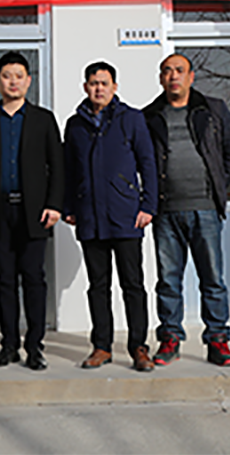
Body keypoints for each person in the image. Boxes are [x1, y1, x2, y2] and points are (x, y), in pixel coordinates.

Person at [0, 51, 64, 371]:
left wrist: (54, 204)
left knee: (34, 279)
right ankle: (9, 345)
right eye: (7, 76)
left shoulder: (43, 119)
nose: (13, 82)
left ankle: (34, 346)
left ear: (28, 81)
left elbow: (58, 166)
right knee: (5, 280)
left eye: (19, 76)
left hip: (34, 213)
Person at [143, 53, 230, 367]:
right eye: (167, 71)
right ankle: (170, 339)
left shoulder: (213, 110)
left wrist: (217, 185)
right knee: (168, 281)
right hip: (166, 212)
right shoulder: (149, 115)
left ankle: (218, 341)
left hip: (205, 209)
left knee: (212, 279)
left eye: (179, 70)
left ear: (191, 76)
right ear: (161, 78)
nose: (173, 76)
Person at [63, 62, 158, 372]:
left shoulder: (131, 118)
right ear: (85, 87)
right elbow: (68, 170)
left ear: (114, 87)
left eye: (104, 83)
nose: (99, 88)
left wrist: (148, 206)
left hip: (125, 215)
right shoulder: (75, 124)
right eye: (93, 83)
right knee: (97, 286)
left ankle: (139, 347)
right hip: (90, 217)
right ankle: (101, 346)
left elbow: (148, 163)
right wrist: (69, 206)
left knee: (133, 285)